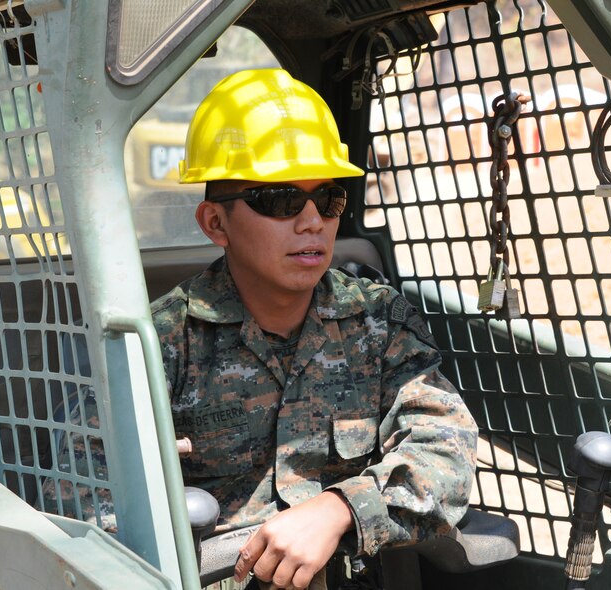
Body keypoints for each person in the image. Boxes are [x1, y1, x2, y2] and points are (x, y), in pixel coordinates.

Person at [152, 68, 478, 590]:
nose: (312, 222)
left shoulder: (379, 321)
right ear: (216, 223)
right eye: (281, 200)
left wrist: (341, 508)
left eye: (328, 200)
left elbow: (446, 452)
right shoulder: (158, 344)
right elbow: (87, 505)